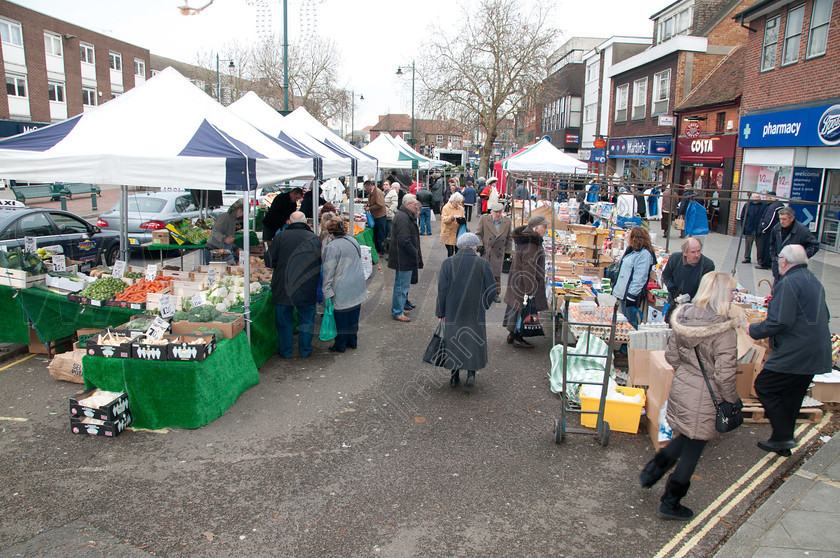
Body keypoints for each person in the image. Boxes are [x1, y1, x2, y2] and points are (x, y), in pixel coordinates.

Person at [639, 272, 741, 520]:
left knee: (687, 436)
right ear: (720, 295)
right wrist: (732, 401)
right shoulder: (724, 331)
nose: (732, 296)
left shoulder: (683, 319)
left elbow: (672, 357)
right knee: (693, 450)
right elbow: (724, 376)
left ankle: (652, 472)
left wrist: (689, 372)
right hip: (706, 397)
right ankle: (670, 503)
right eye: (730, 292)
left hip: (683, 388)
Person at [749, 245, 832, 455]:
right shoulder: (813, 280)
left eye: (778, 260)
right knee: (792, 397)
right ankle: (781, 442)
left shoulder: (789, 283)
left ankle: (784, 437)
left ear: (784, 261)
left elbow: (779, 322)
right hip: (816, 350)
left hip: (796, 351)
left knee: (765, 386)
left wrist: (753, 329)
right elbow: (826, 316)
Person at [436, 232, 496, 391]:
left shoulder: (448, 263)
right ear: (474, 246)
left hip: (453, 309)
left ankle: (454, 376)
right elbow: (492, 290)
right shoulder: (483, 263)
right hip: (475, 310)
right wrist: (484, 305)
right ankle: (471, 374)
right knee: (473, 340)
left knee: (454, 340)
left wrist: (441, 312)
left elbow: (442, 290)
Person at [266, 211, 321, 358]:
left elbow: (269, 261)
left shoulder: (280, 237)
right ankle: (305, 350)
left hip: (284, 286)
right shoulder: (314, 238)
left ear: (289, 222)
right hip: (307, 285)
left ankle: (286, 351)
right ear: (305, 223)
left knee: (284, 321)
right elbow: (319, 262)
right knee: (307, 319)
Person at [321, 218, 367, 353]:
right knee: (354, 314)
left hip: (342, 285)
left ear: (330, 233)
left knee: (341, 317)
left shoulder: (332, 247)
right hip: (357, 281)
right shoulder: (353, 240)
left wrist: (327, 291)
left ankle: (340, 345)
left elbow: (328, 271)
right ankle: (352, 341)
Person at [503, 214, 549, 349]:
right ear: (536, 228)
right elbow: (528, 268)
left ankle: (512, 333)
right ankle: (518, 337)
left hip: (517, 280)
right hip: (524, 283)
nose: (546, 230)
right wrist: (530, 291)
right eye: (544, 227)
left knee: (516, 307)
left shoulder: (526, 239)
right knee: (523, 309)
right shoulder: (531, 243)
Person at [661, 237, 716, 321]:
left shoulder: (707, 265)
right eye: (693, 252)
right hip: (674, 302)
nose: (697, 255)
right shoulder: (675, 259)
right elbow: (666, 276)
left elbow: (706, 289)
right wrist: (674, 291)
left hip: (695, 307)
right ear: (685, 252)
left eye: (699, 251)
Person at [388, 194, 423, 322]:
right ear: (408, 205)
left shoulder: (405, 215)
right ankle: (397, 311)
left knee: (402, 285)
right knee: (401, 286)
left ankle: (400, 308)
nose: (416, 207)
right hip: (403, 257)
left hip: (403, 256)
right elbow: (404, 240)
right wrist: (415, 254)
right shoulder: (403, 217)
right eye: (414, 205)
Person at [612, 226, 655, 330]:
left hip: (630, 296)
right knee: (625, 321)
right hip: (624, 294)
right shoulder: (633, 251)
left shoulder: (644, 255)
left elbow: (639, 278)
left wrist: (631, 296)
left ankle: (629, 344)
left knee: (630, 322)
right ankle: (625, 344)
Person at [768, 206, 819, 282]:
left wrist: (801, 257)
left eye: (784, 219)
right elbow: (772, 244)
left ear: (792, 218)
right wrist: (774, 258)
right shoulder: (777, 228)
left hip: (794, 268)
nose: (782, 221)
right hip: (779, 267)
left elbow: (815, 245)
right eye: (780, 219)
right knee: (777, 290)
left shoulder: (802, 230)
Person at [475, 201, 512, 303]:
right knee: (484, 273)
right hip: (487, 251)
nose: (498, 214)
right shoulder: (484, 219)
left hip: (499, 252)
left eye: (500, 212)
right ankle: (483, 292)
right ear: (492, 212)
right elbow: (478, 234)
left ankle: (496, 293)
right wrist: (480, 245)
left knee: (496, 275)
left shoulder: (507, 222)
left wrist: (508, 251)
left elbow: (509, 238)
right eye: (496, 212)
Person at [205, 199, 243, 265]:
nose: (241, 214)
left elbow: (229, 239)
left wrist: (235, 248)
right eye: (241, 211)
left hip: (223, 251)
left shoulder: (233, 220)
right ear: (236, 209)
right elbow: (215, 232)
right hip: (214, 251)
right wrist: (224, 239)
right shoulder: (225, 217)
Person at [757, 192, 783, 269]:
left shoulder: (773, 206)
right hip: (775, 231)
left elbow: (769, 219)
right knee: (772, 247)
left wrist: (764, 229)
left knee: (766, 247)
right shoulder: (780, 205)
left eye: (767, 197)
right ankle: (770, 262)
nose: (766, 199)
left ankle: (765, 264)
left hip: (769, 231)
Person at [739, 193, 766, 264]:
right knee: (748, 243)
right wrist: (743, 227)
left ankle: (760, 259)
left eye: (758, 197)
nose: (757, 198)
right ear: (752, 198)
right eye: (755, 197)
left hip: (759, 227)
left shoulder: (763, 205)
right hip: (750, 227)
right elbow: (743, 216)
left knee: (759, 244)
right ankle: (747, 257)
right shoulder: (748, 205)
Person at [364, 180, 387, 256]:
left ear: (369, 186)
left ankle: (381, 251)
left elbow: (380, 204)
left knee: (380, 234)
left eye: (366, 188)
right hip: (375, 216)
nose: (365, 190)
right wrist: (367, 205)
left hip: (380, 216)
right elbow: (372, 202)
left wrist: (369, 208)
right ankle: (378, 250)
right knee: (376, 234)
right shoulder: (371, 192)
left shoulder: (377, 192)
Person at [440, 192, 466, 257]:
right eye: (456, 202)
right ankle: (450, 264)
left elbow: (464, 219)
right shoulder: (446, 207)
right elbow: (444, 219)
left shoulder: (461, 208)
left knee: (458, 251)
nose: (458, 204)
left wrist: (461, 220)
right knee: (450, 251)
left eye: (459, 202)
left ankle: (456, 264)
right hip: (448, 232)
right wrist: (451, 218)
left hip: (458, 232)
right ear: (452, 201)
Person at [384, 179, 399, 246]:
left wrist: (389, 211)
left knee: (390, 233)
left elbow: (395, 204)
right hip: (384, 216)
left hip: (390, 216)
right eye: (384, 184)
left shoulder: (393, 193)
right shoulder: (383, 193)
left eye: (387, 184)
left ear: (390, 186)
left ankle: (391, 248)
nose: (385, 186)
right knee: (386, 233)